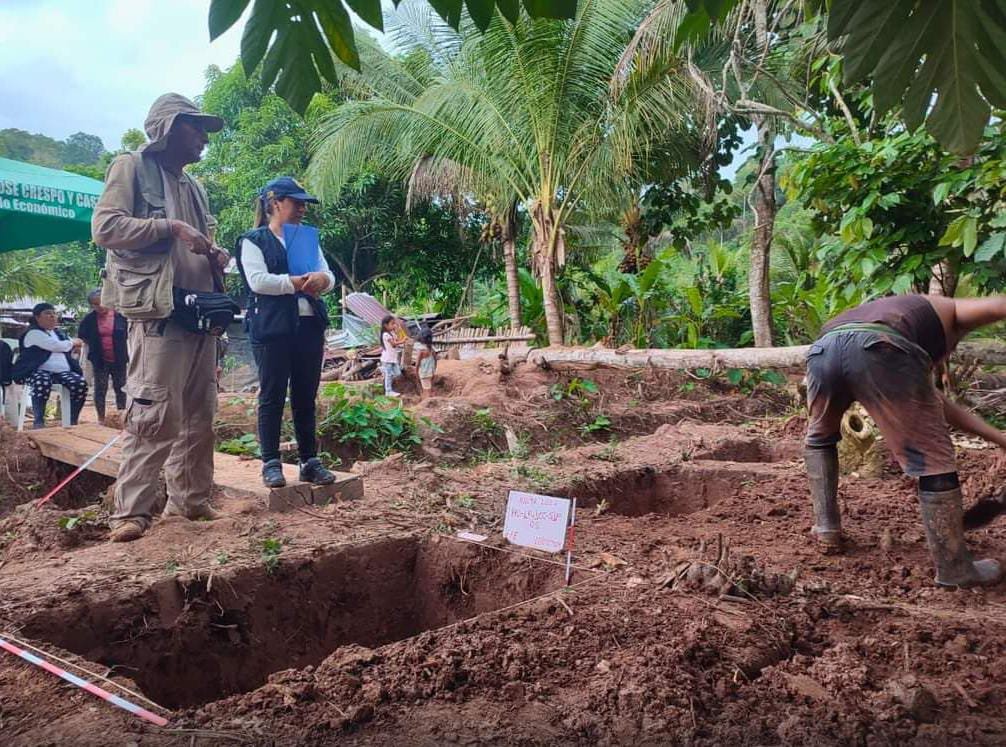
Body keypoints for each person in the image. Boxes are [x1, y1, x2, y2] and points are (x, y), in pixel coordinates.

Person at [92, 92, 230, 542]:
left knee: (199, 414)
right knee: (153, 413)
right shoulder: (130, 168)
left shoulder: (194, 186)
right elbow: (105, 228)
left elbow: (196, 241)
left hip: (199, 314)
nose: (203, 139)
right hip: (158, 313)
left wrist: (214, 254)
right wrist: (168, 228)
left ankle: (190, 502)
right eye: (197, 128)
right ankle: (130, 512)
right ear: (170, 128)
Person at [804, 293, 1006, 588]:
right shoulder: (951, 309)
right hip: (878, 347)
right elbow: (998, 305)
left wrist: (999, 438)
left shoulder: (890, 315)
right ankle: (954, 568)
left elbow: (941, 406)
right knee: (933, 457)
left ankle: (826, 528)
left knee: (820, 436)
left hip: (822, 350)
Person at [234, 176, 337, 489]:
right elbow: (258, 281)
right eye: (296, 202)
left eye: (304, 203)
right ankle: (271, 462)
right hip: (272, 327)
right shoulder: (253, 240)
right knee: (272, 394)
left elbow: (327, 274)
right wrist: (294, 282)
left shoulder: (306, 239)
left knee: (306, 394)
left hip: (308, 325)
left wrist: (323, 281)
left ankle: (310, 461)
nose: (302, 209)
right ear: (275, 202)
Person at [10, 303, 88, 428]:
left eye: (54, 314)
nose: (52, 316)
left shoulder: (59, 333)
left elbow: (70, 347)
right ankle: (39, 421)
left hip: (61, 372)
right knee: (42, 380)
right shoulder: (33, 333)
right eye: (47, 313)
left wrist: (70, 345)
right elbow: (56, 346)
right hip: (35, 372)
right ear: (37, 317)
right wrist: (72, 342)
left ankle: (72, 421)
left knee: (79, 382)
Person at [77, 289, 128, 425]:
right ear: (92, 306)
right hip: (99, 359)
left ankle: (121, 415)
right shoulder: (89, 319)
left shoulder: (120, 316)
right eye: (95, 304)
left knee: (121, 388)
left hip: (119, 358)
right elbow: (83, 336)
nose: (99, 306)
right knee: (101, 389)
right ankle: (101, 418)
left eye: (101, 302)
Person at [380, 315, 403, 397]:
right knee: (389, 375)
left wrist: (398, 331)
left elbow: (397, 340)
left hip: (393, 358)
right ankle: (388, 391)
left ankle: (383, 369)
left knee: (397, 373)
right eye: (392, 324)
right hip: (387, 359)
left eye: (394, 324)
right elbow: (393, 344)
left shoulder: (392, 333)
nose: (394, 325)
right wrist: (403, 341)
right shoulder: (385, 335)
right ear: (386, 325)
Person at [413, 326, 437, 399]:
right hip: (431, 372)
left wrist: (416, 373)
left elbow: (417, 364)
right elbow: (435, 361)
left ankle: (428, 401)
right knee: (429, 386)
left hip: (424, 373)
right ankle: (431, 398)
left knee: (426, 390)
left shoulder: (421, 351)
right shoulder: (431, 350)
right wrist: (433, 371)